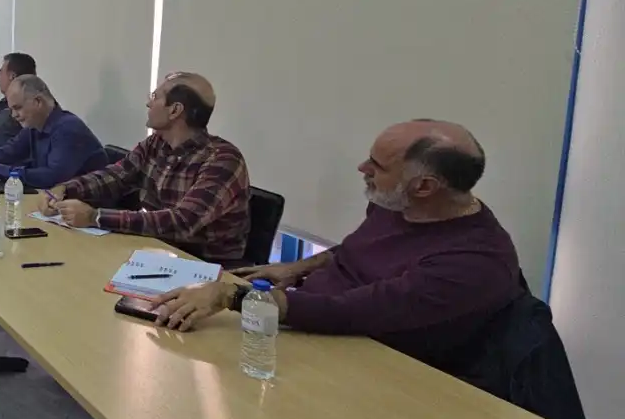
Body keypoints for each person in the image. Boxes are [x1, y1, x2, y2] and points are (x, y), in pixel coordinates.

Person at [150, 121, 525, 368]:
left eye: (377, 165)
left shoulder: (473, 262)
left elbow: (353, 311)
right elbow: (354, 252)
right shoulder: (399, 203)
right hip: (314, 332)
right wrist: (298, 267)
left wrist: (230, 296)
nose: (363, 168)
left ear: (424, 186)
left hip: (370, 365)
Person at [44, 72, 251, 265]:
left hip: (206, 268)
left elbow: (182, 222)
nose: (148, 103)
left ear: (175, 110)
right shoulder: (155, 144)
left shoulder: (222, 160)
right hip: (159, 253)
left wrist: (94, 217)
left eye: (155, 97)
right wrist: (65, 189)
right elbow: (116, 177)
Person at [0, 76, 106, 189]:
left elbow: (52, 178)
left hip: (86, 210)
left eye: (18, 108)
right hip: (56, 203)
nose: (14, 115)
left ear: (38, 102)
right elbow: (11, 151)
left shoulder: (68, 129)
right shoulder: (35, 125)